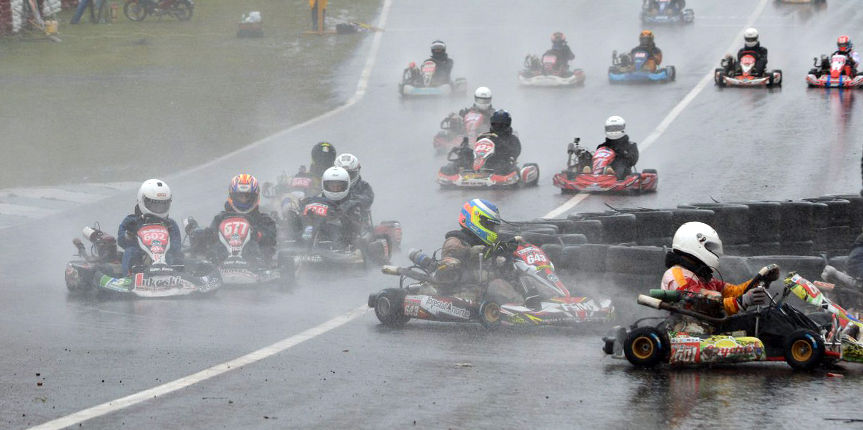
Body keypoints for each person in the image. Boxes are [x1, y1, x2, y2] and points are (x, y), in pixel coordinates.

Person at [662, 222, 777, 333]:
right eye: (709, 247)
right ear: (694, 244)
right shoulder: (678, 276)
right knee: (763, 321)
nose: (713, 252)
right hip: (693, 331)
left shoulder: (700, 275)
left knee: (769, 315)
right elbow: (697, 303)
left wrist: (760, 280)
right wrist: (740, 302)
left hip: (710, 325)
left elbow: (733, 292)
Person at [433, 199, 530, 305]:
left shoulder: (481, 242)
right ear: (475, 220)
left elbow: (493, 258)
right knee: (498, 284)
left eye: (494, 227)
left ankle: (548, 298)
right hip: (461, 289)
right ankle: (524, 308)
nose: (492, 230)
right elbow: (460, 253)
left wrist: (507, 253)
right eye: (489, 225)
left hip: (480, 286)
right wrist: (486, 252)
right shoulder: (454, 241)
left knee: (524, 276)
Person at [190, 174, 277, 262]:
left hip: (256, 261)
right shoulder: (221, 218)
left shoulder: (262, 219)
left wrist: (257, 235)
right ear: (232, 196)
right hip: (222, 259)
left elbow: (271, 238)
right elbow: (212, 238)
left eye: (248, 197)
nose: (243, 200)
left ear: (255, 197)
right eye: (240, 196)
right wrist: (209, 234)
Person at [118, 179, 184, 275]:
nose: (158, 209)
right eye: (154, 205)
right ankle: (127, 278)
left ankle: (170, 278)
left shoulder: (170, 224)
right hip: (139, 255)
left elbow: (176, 246)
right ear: (142, 200)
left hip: (163, 256)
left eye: (162, 205)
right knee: (129, 252)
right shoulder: (131, 222)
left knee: (171, 256)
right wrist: (128, 237)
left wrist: (164, 247)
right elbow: (121, 242)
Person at [476, 109, 521, 174]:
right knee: (462, 160)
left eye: (502, 125)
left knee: (500, 165)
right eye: (496, 124)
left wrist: (500, 144)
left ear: (508, 124)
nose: (499, 127)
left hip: (503, 164)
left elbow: (514, 153)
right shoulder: (484, 137)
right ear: (492, 124)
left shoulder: (513, 139)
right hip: (482, 161)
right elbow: (477, 151)